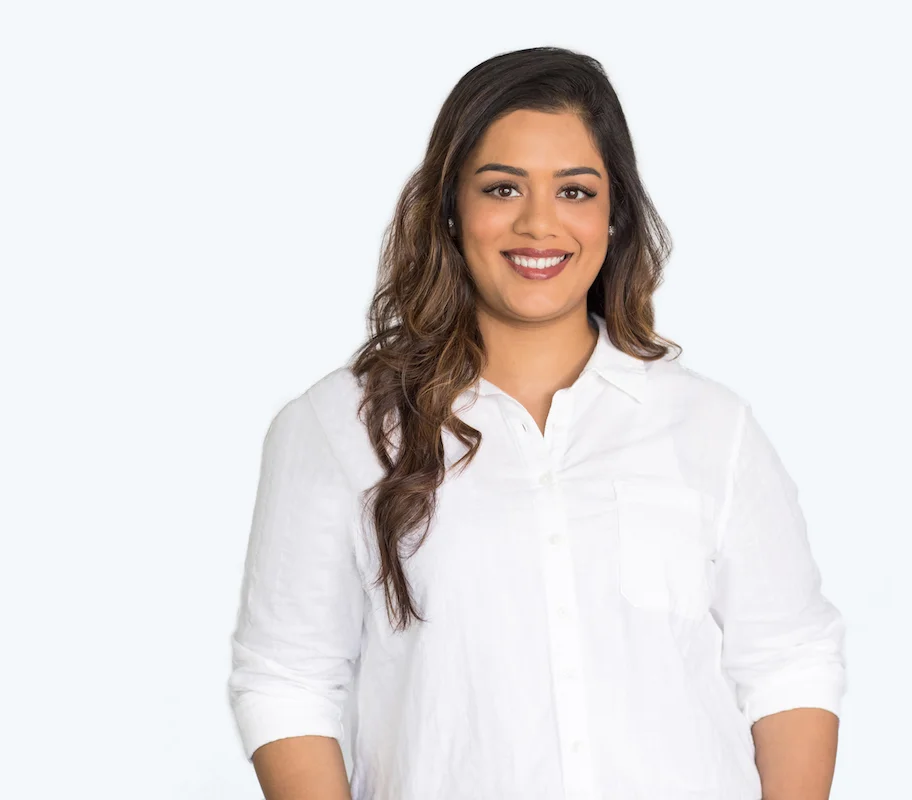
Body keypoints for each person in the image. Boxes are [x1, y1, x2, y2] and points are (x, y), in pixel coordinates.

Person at [228, 46, 847, 800]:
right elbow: (287, 680)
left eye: (575, 191)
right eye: (503, 188)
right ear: (450, 207)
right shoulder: (339, 428)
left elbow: (789, 661)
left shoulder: (712, 428)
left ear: (615, 215)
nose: (538, 224)